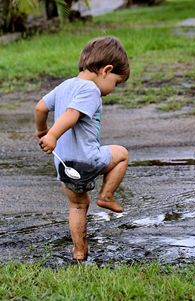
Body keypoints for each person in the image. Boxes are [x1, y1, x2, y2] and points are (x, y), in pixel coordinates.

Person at [34, 36, 130, 260]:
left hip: (65, 164)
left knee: (77, 206)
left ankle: (79, 251)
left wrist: (42, 131)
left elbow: (40, 108)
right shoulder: (90, 90)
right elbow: (71, 115)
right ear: (106, 70)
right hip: (87, 159)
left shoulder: (64, 86)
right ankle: (107, 195)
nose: (112, 90)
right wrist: (53, 135)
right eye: (116, 82)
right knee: (122, 154)